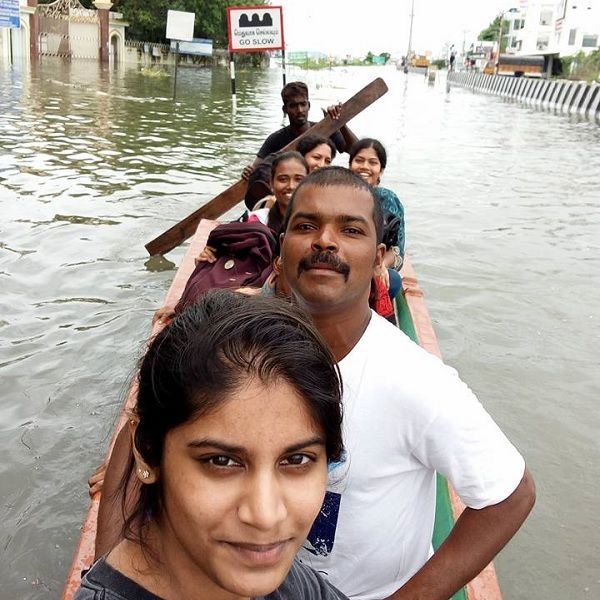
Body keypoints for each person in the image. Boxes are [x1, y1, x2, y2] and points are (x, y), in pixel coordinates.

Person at [278, 167, 536, 600]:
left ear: (379, 258)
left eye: (350, 230)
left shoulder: (416, 381)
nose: (324, 240)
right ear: (281, 248)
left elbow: (511, 494)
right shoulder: (250, 355)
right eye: (306, 226)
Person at [77, 290, 349, 600]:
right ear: (147, 451)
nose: (265, 516)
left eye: (298, 459)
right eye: (221, 461)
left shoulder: (293, 584)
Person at [194, 152, 308, 268]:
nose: (291, 186)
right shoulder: (255, 220)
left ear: (309, 184)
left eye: (299, 179)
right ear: (271, 185)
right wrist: (208, 254)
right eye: (283, 179)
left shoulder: (318, 225)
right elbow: (220, 246)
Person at [242, 82, 357, 179]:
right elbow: (257, 170)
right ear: (285, 109)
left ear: (309, 105)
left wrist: (340, 123)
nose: (300, 110)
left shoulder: (326, 130)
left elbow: (357, 151)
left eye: (303, 104)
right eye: (293, 106)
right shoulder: (276, 139)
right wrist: (248, 172)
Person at [349, 138, 404, 299]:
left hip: (375, 265)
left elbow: (397, 251)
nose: (365, 166)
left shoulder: (387, 199)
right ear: (350, 164)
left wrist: (380, 266)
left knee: (391, 281)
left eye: (372, 162)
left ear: (381, 170)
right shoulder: (339, 196)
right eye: (359, 160)